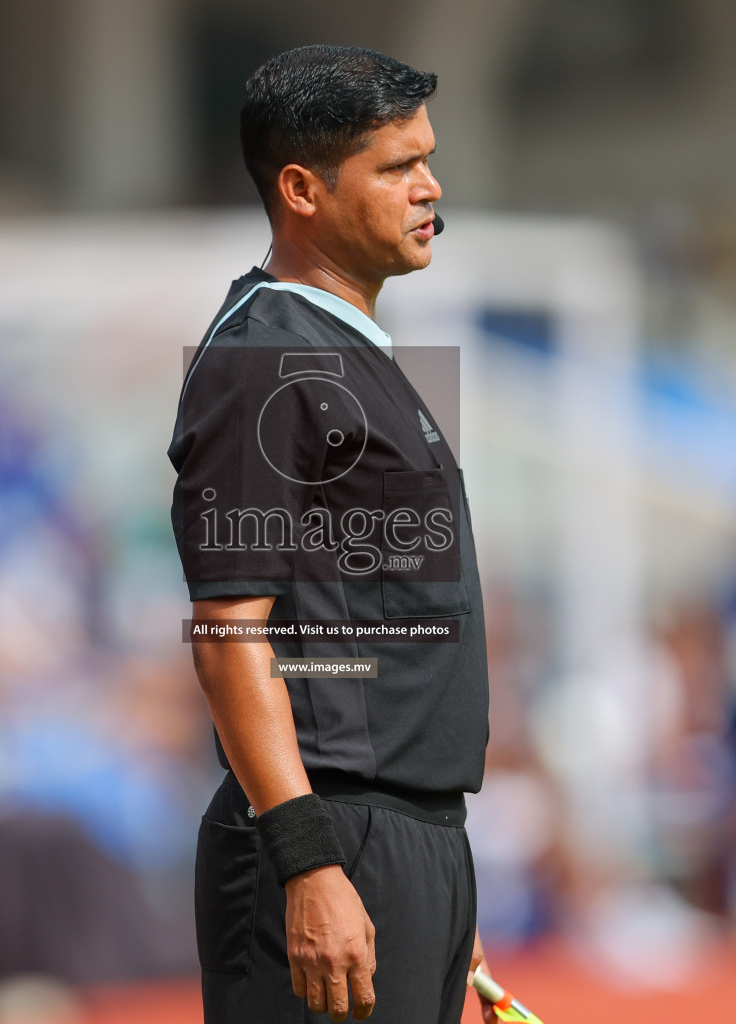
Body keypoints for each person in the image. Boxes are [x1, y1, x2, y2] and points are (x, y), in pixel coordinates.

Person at [167, 46, 494, 1024]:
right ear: (303, 189)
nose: (430, 187)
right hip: (323, 843)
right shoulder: (260, 359)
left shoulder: (371, 358)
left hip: (406, 843)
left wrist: (434, 874)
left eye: (429, 158)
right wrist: (311, 861)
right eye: (397, 166)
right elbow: (230, 631)